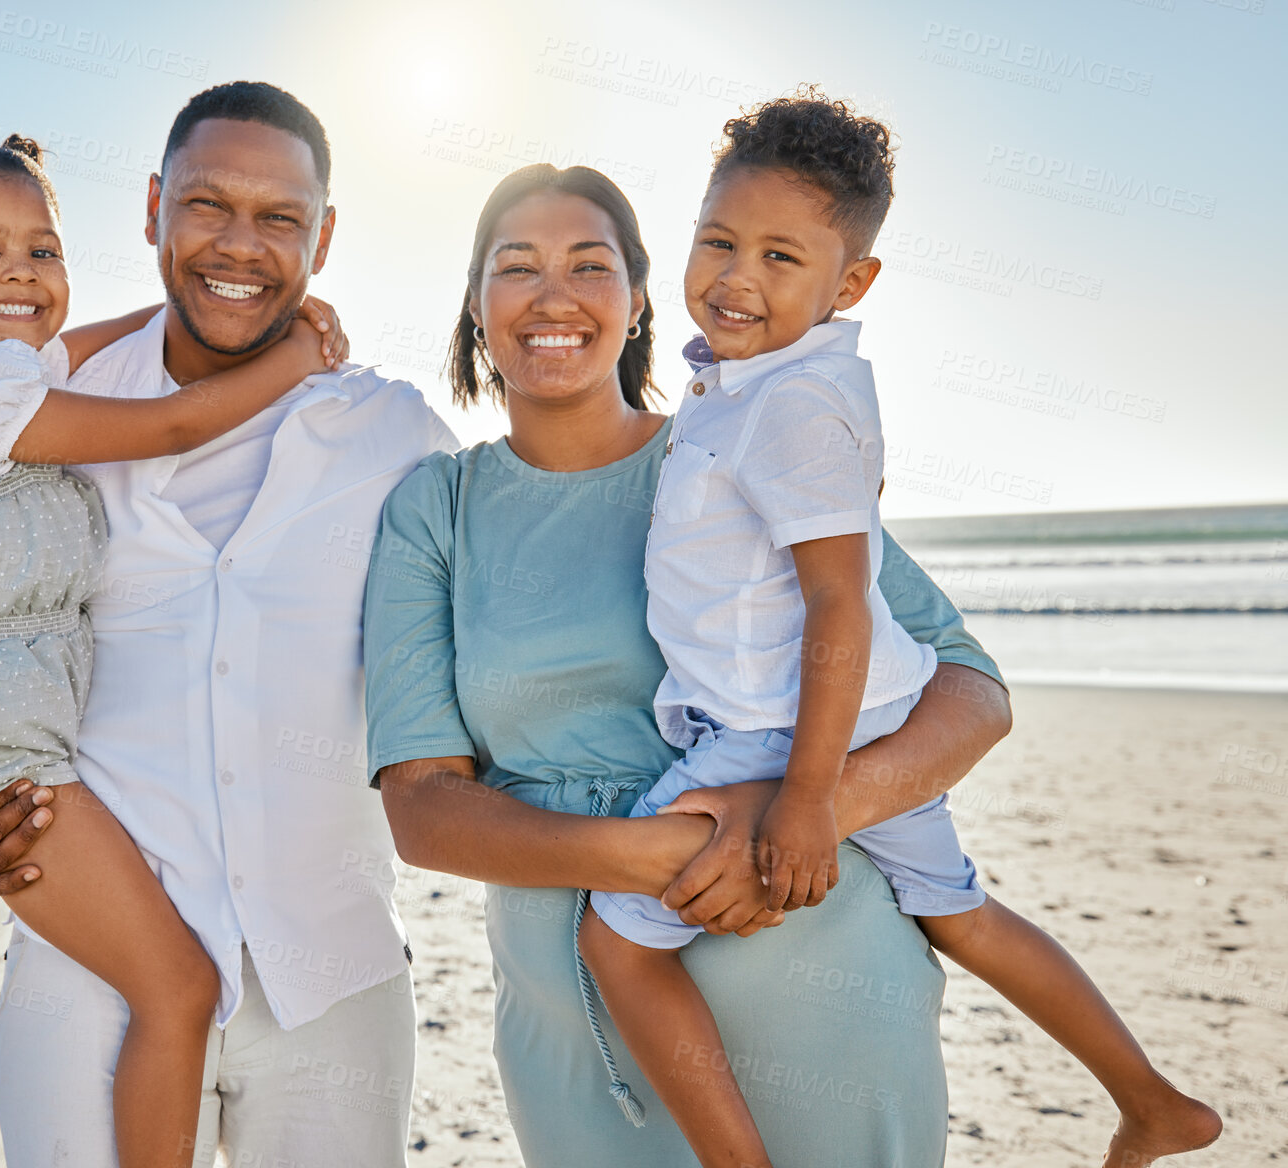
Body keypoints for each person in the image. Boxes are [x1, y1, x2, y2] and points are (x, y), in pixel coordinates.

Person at [577, 92, 1221, 1168]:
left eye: (782, 257)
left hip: (780, 729)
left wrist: (809, 796)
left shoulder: (790, 403)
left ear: (851, 281)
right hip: (855, 713)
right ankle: (1149, 1099)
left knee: (615, 939)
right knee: (957, 911)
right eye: (718, 241)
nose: (737, 277)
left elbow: (837, 602)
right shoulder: (756, 382)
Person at [363, 161, 1011, 1165]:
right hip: (578, 1024)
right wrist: (660, 855)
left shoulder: (738, 443)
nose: (552, 295)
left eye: (590, 264)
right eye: (515, 266)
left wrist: (804, 816)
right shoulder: (435, 507)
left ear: (634, 303)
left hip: (816, 969)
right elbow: (421, 808)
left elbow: (969, 689)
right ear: (476, 306)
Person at [0, 83, 458, 1167]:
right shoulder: (32, 410)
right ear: (151, 210)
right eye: (205, 204)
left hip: (331, 977)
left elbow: (515, 637)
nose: (240, 243)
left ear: (323, 238)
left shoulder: (395, 433)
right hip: (82, 972)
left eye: (280, 216)